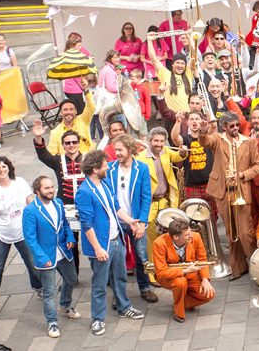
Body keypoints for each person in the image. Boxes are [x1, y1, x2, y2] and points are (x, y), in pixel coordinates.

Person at [76, 150, 146, 335]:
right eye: (105, 165)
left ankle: (124, 307)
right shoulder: (84, 192)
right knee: (100, 285)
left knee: (120, 277)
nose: (108, 166)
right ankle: (97, 319)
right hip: (102, 246)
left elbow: (115, 206)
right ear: (94, 169)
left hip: (117, 240)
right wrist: (98, 248)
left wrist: (130, 221)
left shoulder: (105, 183)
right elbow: (87, 224)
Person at [197, 112, 259, 281]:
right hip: (222, 190)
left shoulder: (248, 142)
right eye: (231, 126)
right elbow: (205, 142)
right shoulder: (217, 139)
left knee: (246, 232)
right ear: (224, 126)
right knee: (230, 231)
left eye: (237, 125)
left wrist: (241, 175)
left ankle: (257, 265)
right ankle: (238, 267)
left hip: (241, 189)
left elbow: (258, 166)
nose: (235, 128)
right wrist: (203, 132)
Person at [0, 157, 43, 320]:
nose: (1, 170)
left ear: (9, 168)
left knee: (32, 262)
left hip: (22, 231)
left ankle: (39, 288)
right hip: (0, 234)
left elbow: (31, 203)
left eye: (3, 166)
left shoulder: (20, 182)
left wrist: (38, 221)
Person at [23, 176, 80, 338]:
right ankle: (52, 323)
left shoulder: (59, 203)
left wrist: (70, 238)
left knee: (71, 279)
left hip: (63, 251)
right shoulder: (31, 210)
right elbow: (30, 239)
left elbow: (65, 224)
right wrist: (41, 257)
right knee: (49, 291)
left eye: (52, 187)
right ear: (37, 191)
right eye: (46, 188)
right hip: (45, 255)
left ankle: (65, 305)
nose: (51, 190)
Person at [108, 134, 158, 304]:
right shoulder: (109, 169)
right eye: (116, 150)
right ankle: (118, 294)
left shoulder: (142, 169)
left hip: (137, 222)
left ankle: (145, 288)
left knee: (141, 254)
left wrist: (142, 223)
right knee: (118, 258)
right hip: (118, 223)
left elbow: (146, 197)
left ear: (130, 150)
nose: (117, 153)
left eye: (120, 150)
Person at [137, 127, 186, 262]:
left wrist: (182, 152)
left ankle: (167, 265)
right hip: (149, 204)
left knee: (168, 236)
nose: (159, 144)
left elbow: (178, 156)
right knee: (151, 240)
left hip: (165, 202)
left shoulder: (166, 152)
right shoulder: (140, 158)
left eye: (162, 141)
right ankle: (153, 272)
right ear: (150, 140)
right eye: (156, 141)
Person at [151, 218, 215, 323]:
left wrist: (205, 279)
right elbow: (162, 272)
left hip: (190, 274)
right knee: (180, 283)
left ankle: (183, 301)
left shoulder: (196, 237)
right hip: (169, 276)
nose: (191, 236)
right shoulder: (159, 243)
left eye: (190, 232)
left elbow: (202, 259)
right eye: (187, 235)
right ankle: (178, 310)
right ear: (176, 237)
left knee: (209, 294)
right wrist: (185, 271)